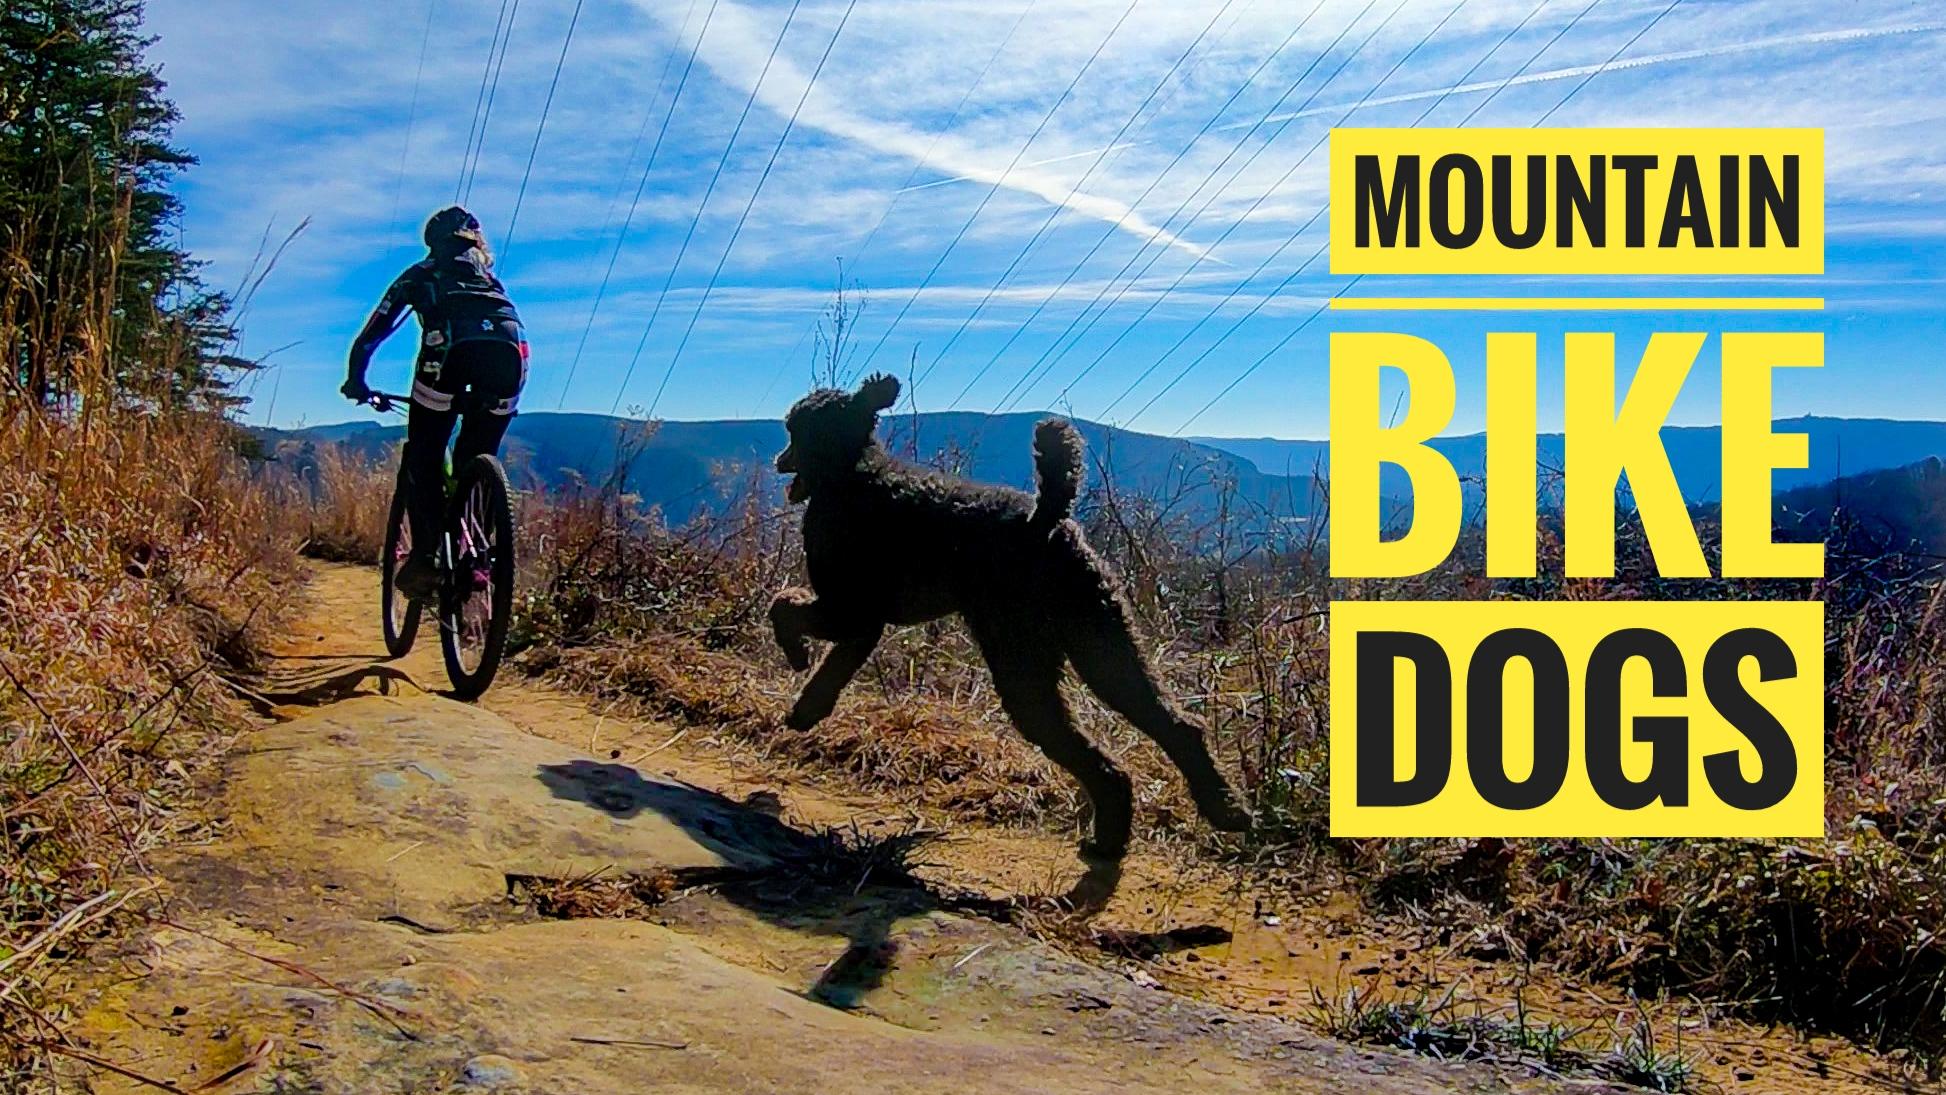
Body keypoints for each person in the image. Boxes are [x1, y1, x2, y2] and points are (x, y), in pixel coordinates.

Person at [341, 206, 527, 602]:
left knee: (424, 453)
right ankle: (476, 557)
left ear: (433, 242)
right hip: (513, 353)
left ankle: (425, 557)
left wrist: (356, 380)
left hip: (449, 353)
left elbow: (373, 333)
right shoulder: (490, 280)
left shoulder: (421, 273)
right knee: (477, 457)